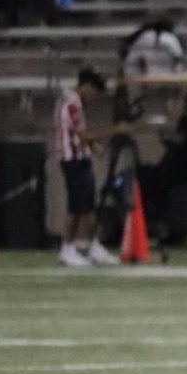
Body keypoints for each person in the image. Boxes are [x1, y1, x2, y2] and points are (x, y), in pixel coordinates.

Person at [54, 67, 121, 267]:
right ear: (86, 86)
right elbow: (82, 136)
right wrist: (113, 131)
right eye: (94, 92)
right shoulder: (72, 103)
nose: (94, 97)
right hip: (72, 159)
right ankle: (67, 248)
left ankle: (93, 246)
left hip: (80, 157)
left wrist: (93, 145)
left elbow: (79, 134)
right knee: (76, 207)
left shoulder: (72, 101)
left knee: (89, 205)